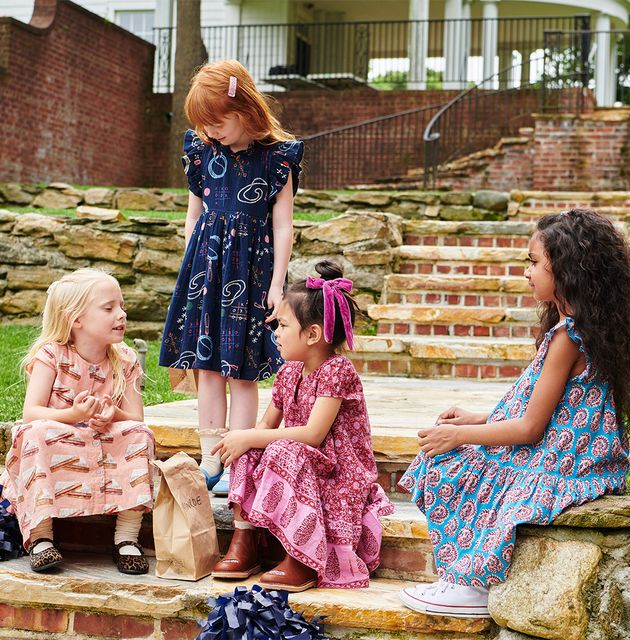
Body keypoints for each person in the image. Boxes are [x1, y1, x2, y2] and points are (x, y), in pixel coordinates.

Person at [399, 209, 630, 618]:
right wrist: (478, 419)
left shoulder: (568, 337)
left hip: (566, 462)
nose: (526, 272)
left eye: (533, 262)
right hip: (568, 451)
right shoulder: (583, 326)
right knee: (462, 458)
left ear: (566, 268)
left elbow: (530, 427)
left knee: (452, 464)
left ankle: (473, 584)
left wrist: (458, 437)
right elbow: (544, 407)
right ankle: (462, 573)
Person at [158, 59, 304, 494]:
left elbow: (282, 225)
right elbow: (193, 215)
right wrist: (193, 270)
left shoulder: (278, 158)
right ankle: (210, 458)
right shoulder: (201, 151)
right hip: (208, 269)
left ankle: (238, 461)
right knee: (207, 370)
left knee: (241, 369)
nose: (211, 131)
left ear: (243, 110)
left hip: (253, 272)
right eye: (203, 124)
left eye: (217, 121)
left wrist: (277, 284)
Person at [209, 261, 394, 591]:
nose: (275, 333)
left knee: (278, 446)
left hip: (339, 471)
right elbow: (267, 423)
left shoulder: (337, 371)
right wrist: (244, 439)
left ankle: (304, 558)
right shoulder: (289, 372)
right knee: (249, 445)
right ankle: (245, 541)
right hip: (303, 463)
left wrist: (255, 436)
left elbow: (313, 434)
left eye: (282, 325)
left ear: (312, 334)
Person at [0, 269, 155, 574]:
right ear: (77, 319)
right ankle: (41, 537)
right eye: (109, 308)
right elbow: (32, 412)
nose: (121, 314)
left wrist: (113, 415)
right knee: (36, 433)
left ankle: (126, 538)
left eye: (121, 306)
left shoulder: (125, 359)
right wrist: (73, 416)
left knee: (138, 434)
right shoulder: (52, 355)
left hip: (101, 436)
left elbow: (134, 417)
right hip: (62, 434)